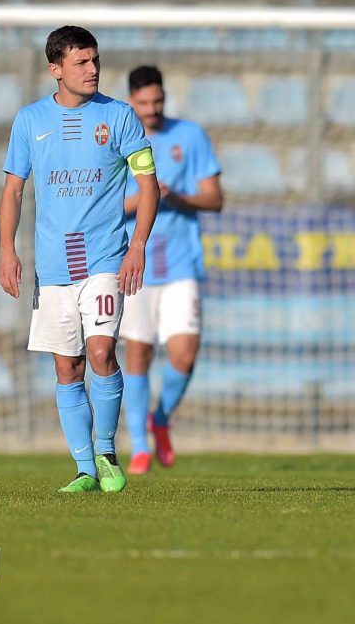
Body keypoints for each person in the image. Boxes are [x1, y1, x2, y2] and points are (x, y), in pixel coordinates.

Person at [0, 27, 160, 492]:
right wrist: (7, 249)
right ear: (56, 69)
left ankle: (106, 452)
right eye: (81, 62)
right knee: (67, 367)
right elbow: (13, 190)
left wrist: (137, 246)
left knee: (102, 351)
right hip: (53, 266)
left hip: (105, 257)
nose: (93, 70)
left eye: (95, 60)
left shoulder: (120, 116)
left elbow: (149, 186)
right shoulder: (30, 120)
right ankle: (85, 469)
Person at [120, 65, 224, 474]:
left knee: (184, 354)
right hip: (135, 264)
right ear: (131, 101)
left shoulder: (190, 136)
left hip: (181, 265)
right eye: (143, 103)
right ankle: (139, 448)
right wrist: (148, 197)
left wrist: (176, 196)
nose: (152, 109)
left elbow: (215, 198)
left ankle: (160, 417)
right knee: (138, 353)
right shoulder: (118, 140)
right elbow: (104, 207)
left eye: (157, 101)